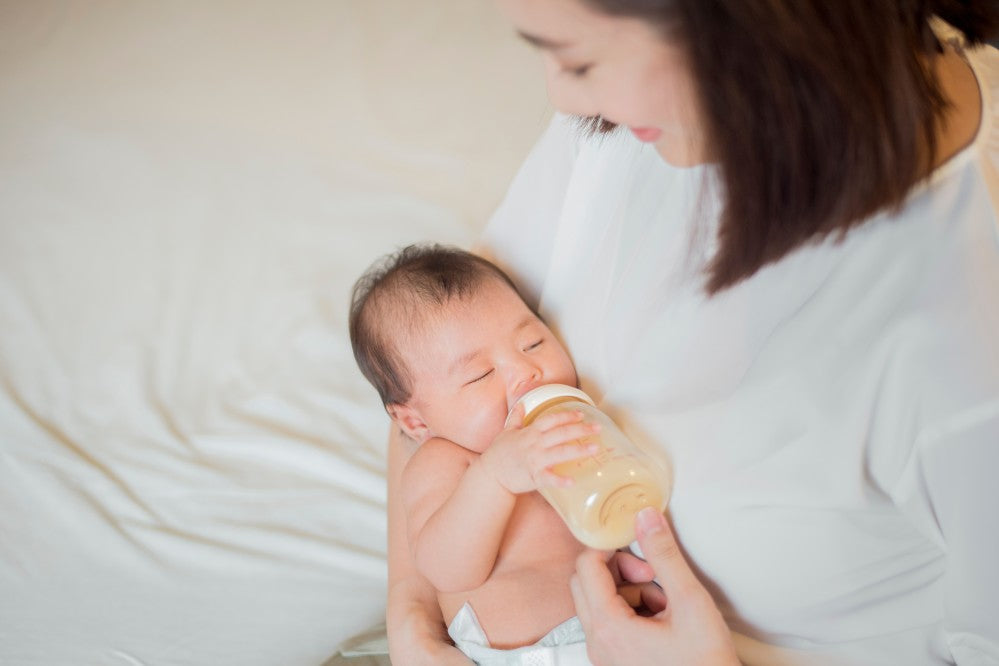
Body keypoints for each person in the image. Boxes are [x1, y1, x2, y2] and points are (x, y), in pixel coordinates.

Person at [386, 1, 999, 664]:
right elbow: (428, 363)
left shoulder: (963, 341)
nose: (561, 94)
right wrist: (413, 615)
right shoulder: (640, 126)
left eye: (580, 59)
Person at [351, 244, 621, 664]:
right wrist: (495, 476)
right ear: (415, 423)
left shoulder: (574, 418)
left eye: (532, 343)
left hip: (617, 635)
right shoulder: (445, 462)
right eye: (480, 375)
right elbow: (445, 568)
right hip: (528, 654)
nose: (525, 372)